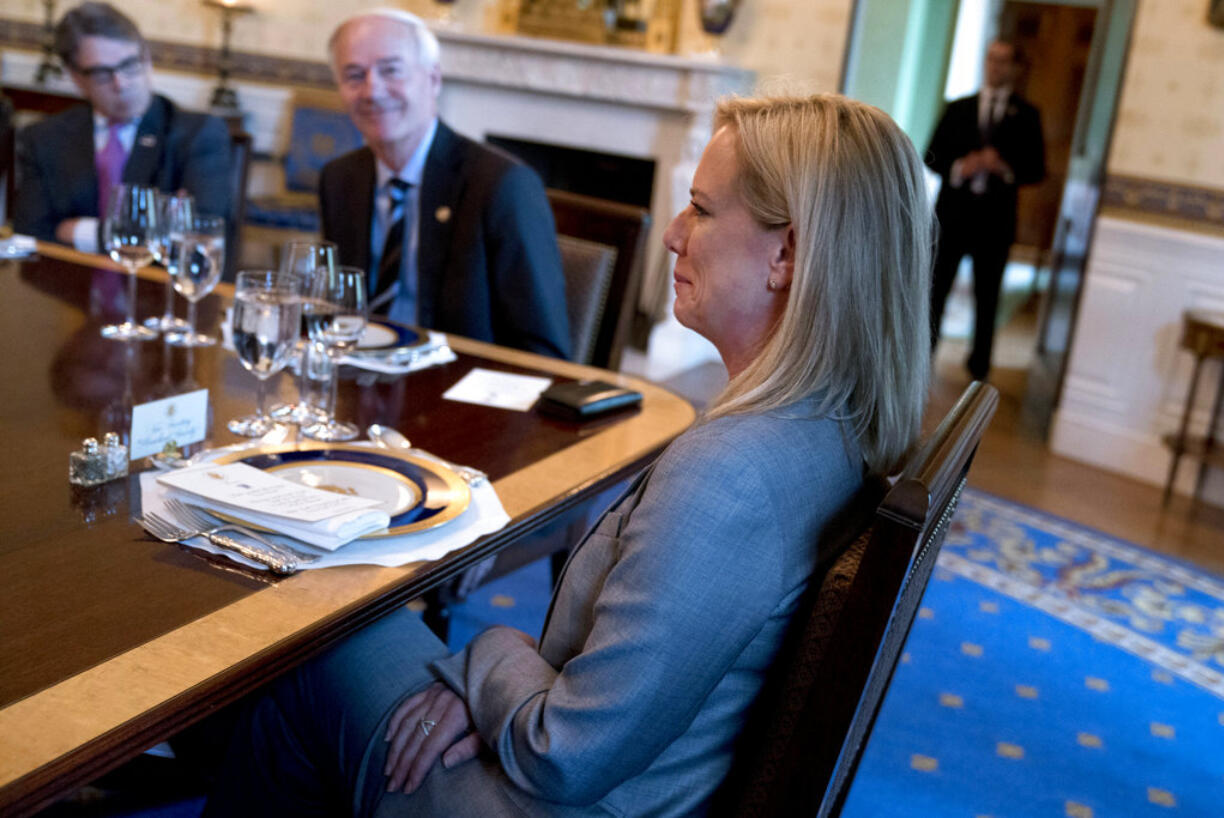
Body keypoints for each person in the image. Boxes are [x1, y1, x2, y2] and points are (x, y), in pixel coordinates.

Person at [204, 93, 933, 817]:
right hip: (624, 776)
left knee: (305, 636)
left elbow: (565, 753)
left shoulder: (732, 474)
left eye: (703, 211)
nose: (675, 235)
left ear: (787, 254)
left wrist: (486, 655)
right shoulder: (829, 431)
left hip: (542, 804)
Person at [319, 10, 570, 359]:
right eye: (354, 75)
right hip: (360, 379)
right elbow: (335, 310)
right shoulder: (339, 178)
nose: (372, 90)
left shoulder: (502, 185)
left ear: (433, 79)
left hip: (459, 391)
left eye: (391, 70)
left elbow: (543, 351)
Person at [12, 2, 231, 252]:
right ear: (76, 78)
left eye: (129, 65)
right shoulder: (43, 137)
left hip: (160, 289)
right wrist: (155, 228)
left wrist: (78, 231)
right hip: (66, 285)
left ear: (146, 58)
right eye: (102, 73)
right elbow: (30, 233)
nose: (121, 83)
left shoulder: (198, 134)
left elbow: (199, 236)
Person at [927, 39, 1045, 380]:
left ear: (1015, 68)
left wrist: (1003, 168)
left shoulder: (1026, 115)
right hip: (952, 216)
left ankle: (979, 368)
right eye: (992, 59)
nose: (997, 67)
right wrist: (962, 166)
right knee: (936, 289)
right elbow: (931, 153)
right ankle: (924, 357)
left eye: (1005, 61)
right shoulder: (958, 108)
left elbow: (1036, 169)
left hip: (995, 220)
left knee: (988, 295)